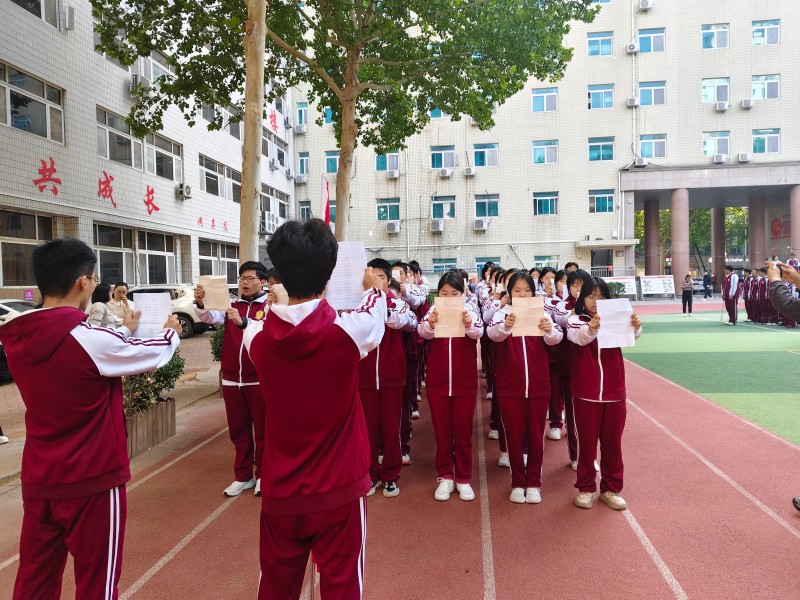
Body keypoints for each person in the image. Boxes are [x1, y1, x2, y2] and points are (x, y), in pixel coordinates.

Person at [0, 238, 180, 600]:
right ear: (83, 282)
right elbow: (153, 354)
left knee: (35, 578)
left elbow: (95, 349)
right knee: (98, 583)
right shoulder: (88, 338)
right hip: (93, 478)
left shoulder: (18, 336)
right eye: (94, 279)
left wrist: (124, 330)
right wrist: (171, 331)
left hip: (41, 476)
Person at [242, 219, 386, 600]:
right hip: (339, 489)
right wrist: (373, 287)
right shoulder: (347, 332)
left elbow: (264, 320)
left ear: (278, 275)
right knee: (343, 588)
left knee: (275, 588)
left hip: (281, 490)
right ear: (329, 274)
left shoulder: (255, 337)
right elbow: (375, 314)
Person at [194, 261, 270, 497]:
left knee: (264, 431)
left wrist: (244, 322)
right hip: (231, 379)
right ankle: (243, 476)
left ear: (263, 281)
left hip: (258, 379)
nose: (245, 283)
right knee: (238, 431)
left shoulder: (270, 306)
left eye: (250, 278)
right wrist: (200, 302)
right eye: (242, 278)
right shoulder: (231, 304)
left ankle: (264, 475)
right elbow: (209, 316)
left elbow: (267, 330)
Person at [566, 277, 641, 510]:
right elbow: (580, 338)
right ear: (582, 298)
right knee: (587, 445)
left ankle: (611, 489)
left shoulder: (616, 319)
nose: (596, 301)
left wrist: (635, 325)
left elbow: (634, 335)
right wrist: (592, 328)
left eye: (601, 296)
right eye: (591, 296)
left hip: (614, 391)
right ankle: (586, 488)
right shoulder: (575, 320)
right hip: (585, 393)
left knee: (612, 444)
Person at [487, 272, 563, 504]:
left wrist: (548, 329)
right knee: (514, 435)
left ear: (534, 291)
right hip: (510, 385)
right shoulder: (502, 313)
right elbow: (492, 334)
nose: (522, 294)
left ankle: (534, 483)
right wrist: (506, 326)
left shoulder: (542, 313)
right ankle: (518, 482)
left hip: (539, 385)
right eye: (517, 290)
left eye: (527, 290)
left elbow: (557, 338)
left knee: (536, 436)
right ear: (510, 292)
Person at [418, 271, 484, 501]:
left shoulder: (470, 311)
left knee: (463, 434)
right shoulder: (432, 312)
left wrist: (468, 324)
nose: (448, 297)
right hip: (438, 382)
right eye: (444, 293)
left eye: (454, 293)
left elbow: (479, 332)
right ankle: (445, 476)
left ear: (462, 294)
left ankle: (464, 478)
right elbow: (422, 332)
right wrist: (431, 324)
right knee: (442, 434)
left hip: (464, 382)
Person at [360, 259, 417, 498]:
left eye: (380, 277)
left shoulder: (396, 303)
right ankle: (371, 474)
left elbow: (408, 323)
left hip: (392, 375)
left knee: (391, 427)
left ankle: (391, 476)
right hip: (364, 377)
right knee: (368, 429)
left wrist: (383, 308)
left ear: (388, 281)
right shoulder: (358, 305)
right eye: (371, 277)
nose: (376, 282)